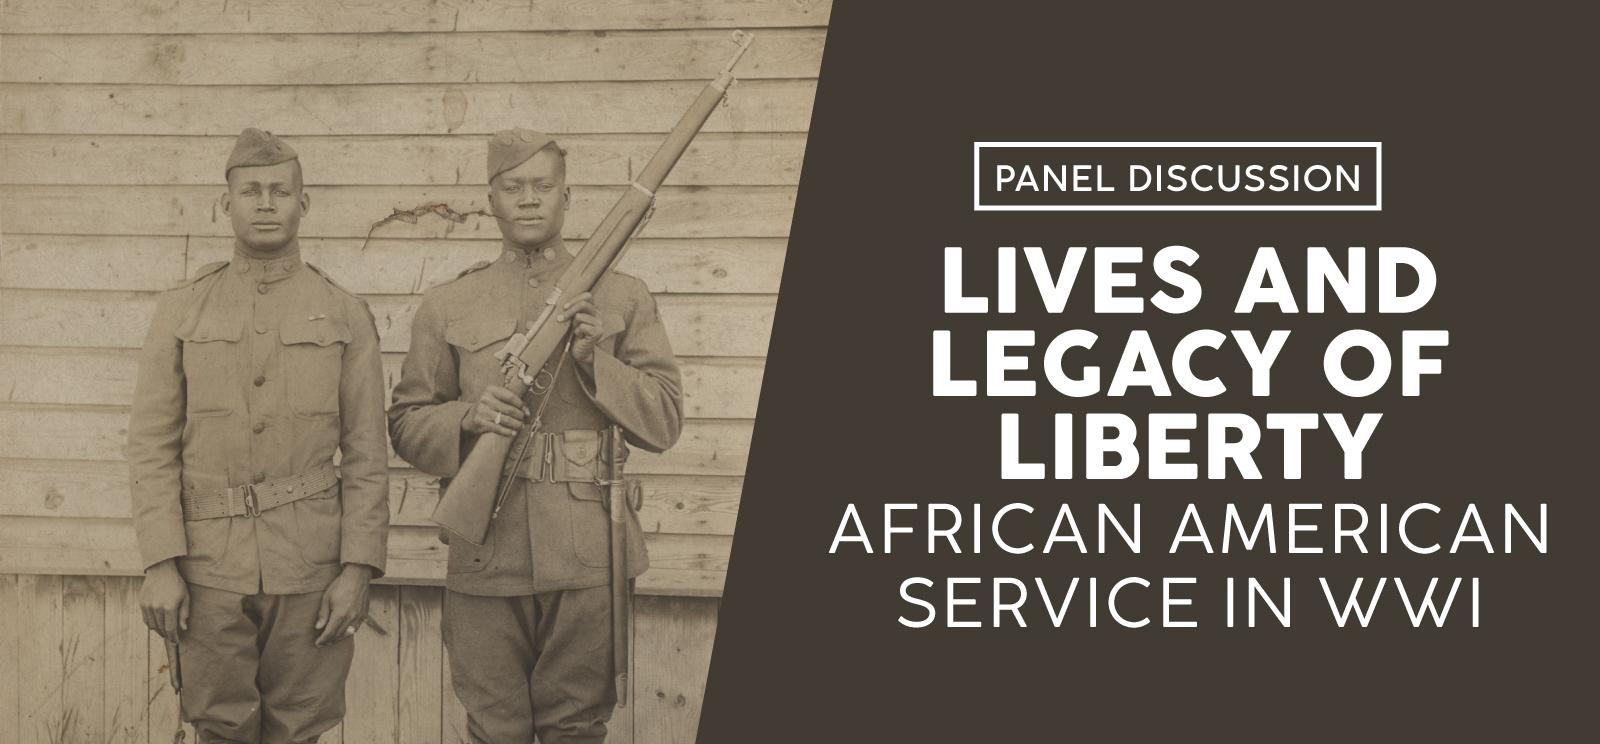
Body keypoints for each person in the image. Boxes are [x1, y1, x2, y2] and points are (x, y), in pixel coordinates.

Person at [388, 129, 682, 743]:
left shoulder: (623, 297)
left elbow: (664, 420)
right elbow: (407, 423)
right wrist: (467, 417)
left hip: (590, 551)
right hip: (486, 551)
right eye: (512, 187)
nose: (528, 200)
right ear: (490, 199)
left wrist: (594, 358)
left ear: (567, 197)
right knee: (495, 728)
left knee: (575, 729)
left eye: (543, 187)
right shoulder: (449, 302)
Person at [128, 128, 390, 743]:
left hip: (312, 569)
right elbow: (151, 444)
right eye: (251, 191)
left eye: (280, 190)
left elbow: (367, 453)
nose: (266, 203)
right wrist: (160, 563)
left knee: (301, 728)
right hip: (208, 566)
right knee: (221, 727)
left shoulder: (344, 312)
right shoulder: (183, 310)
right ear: (227, 204)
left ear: (305, 203)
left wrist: (358, 568)